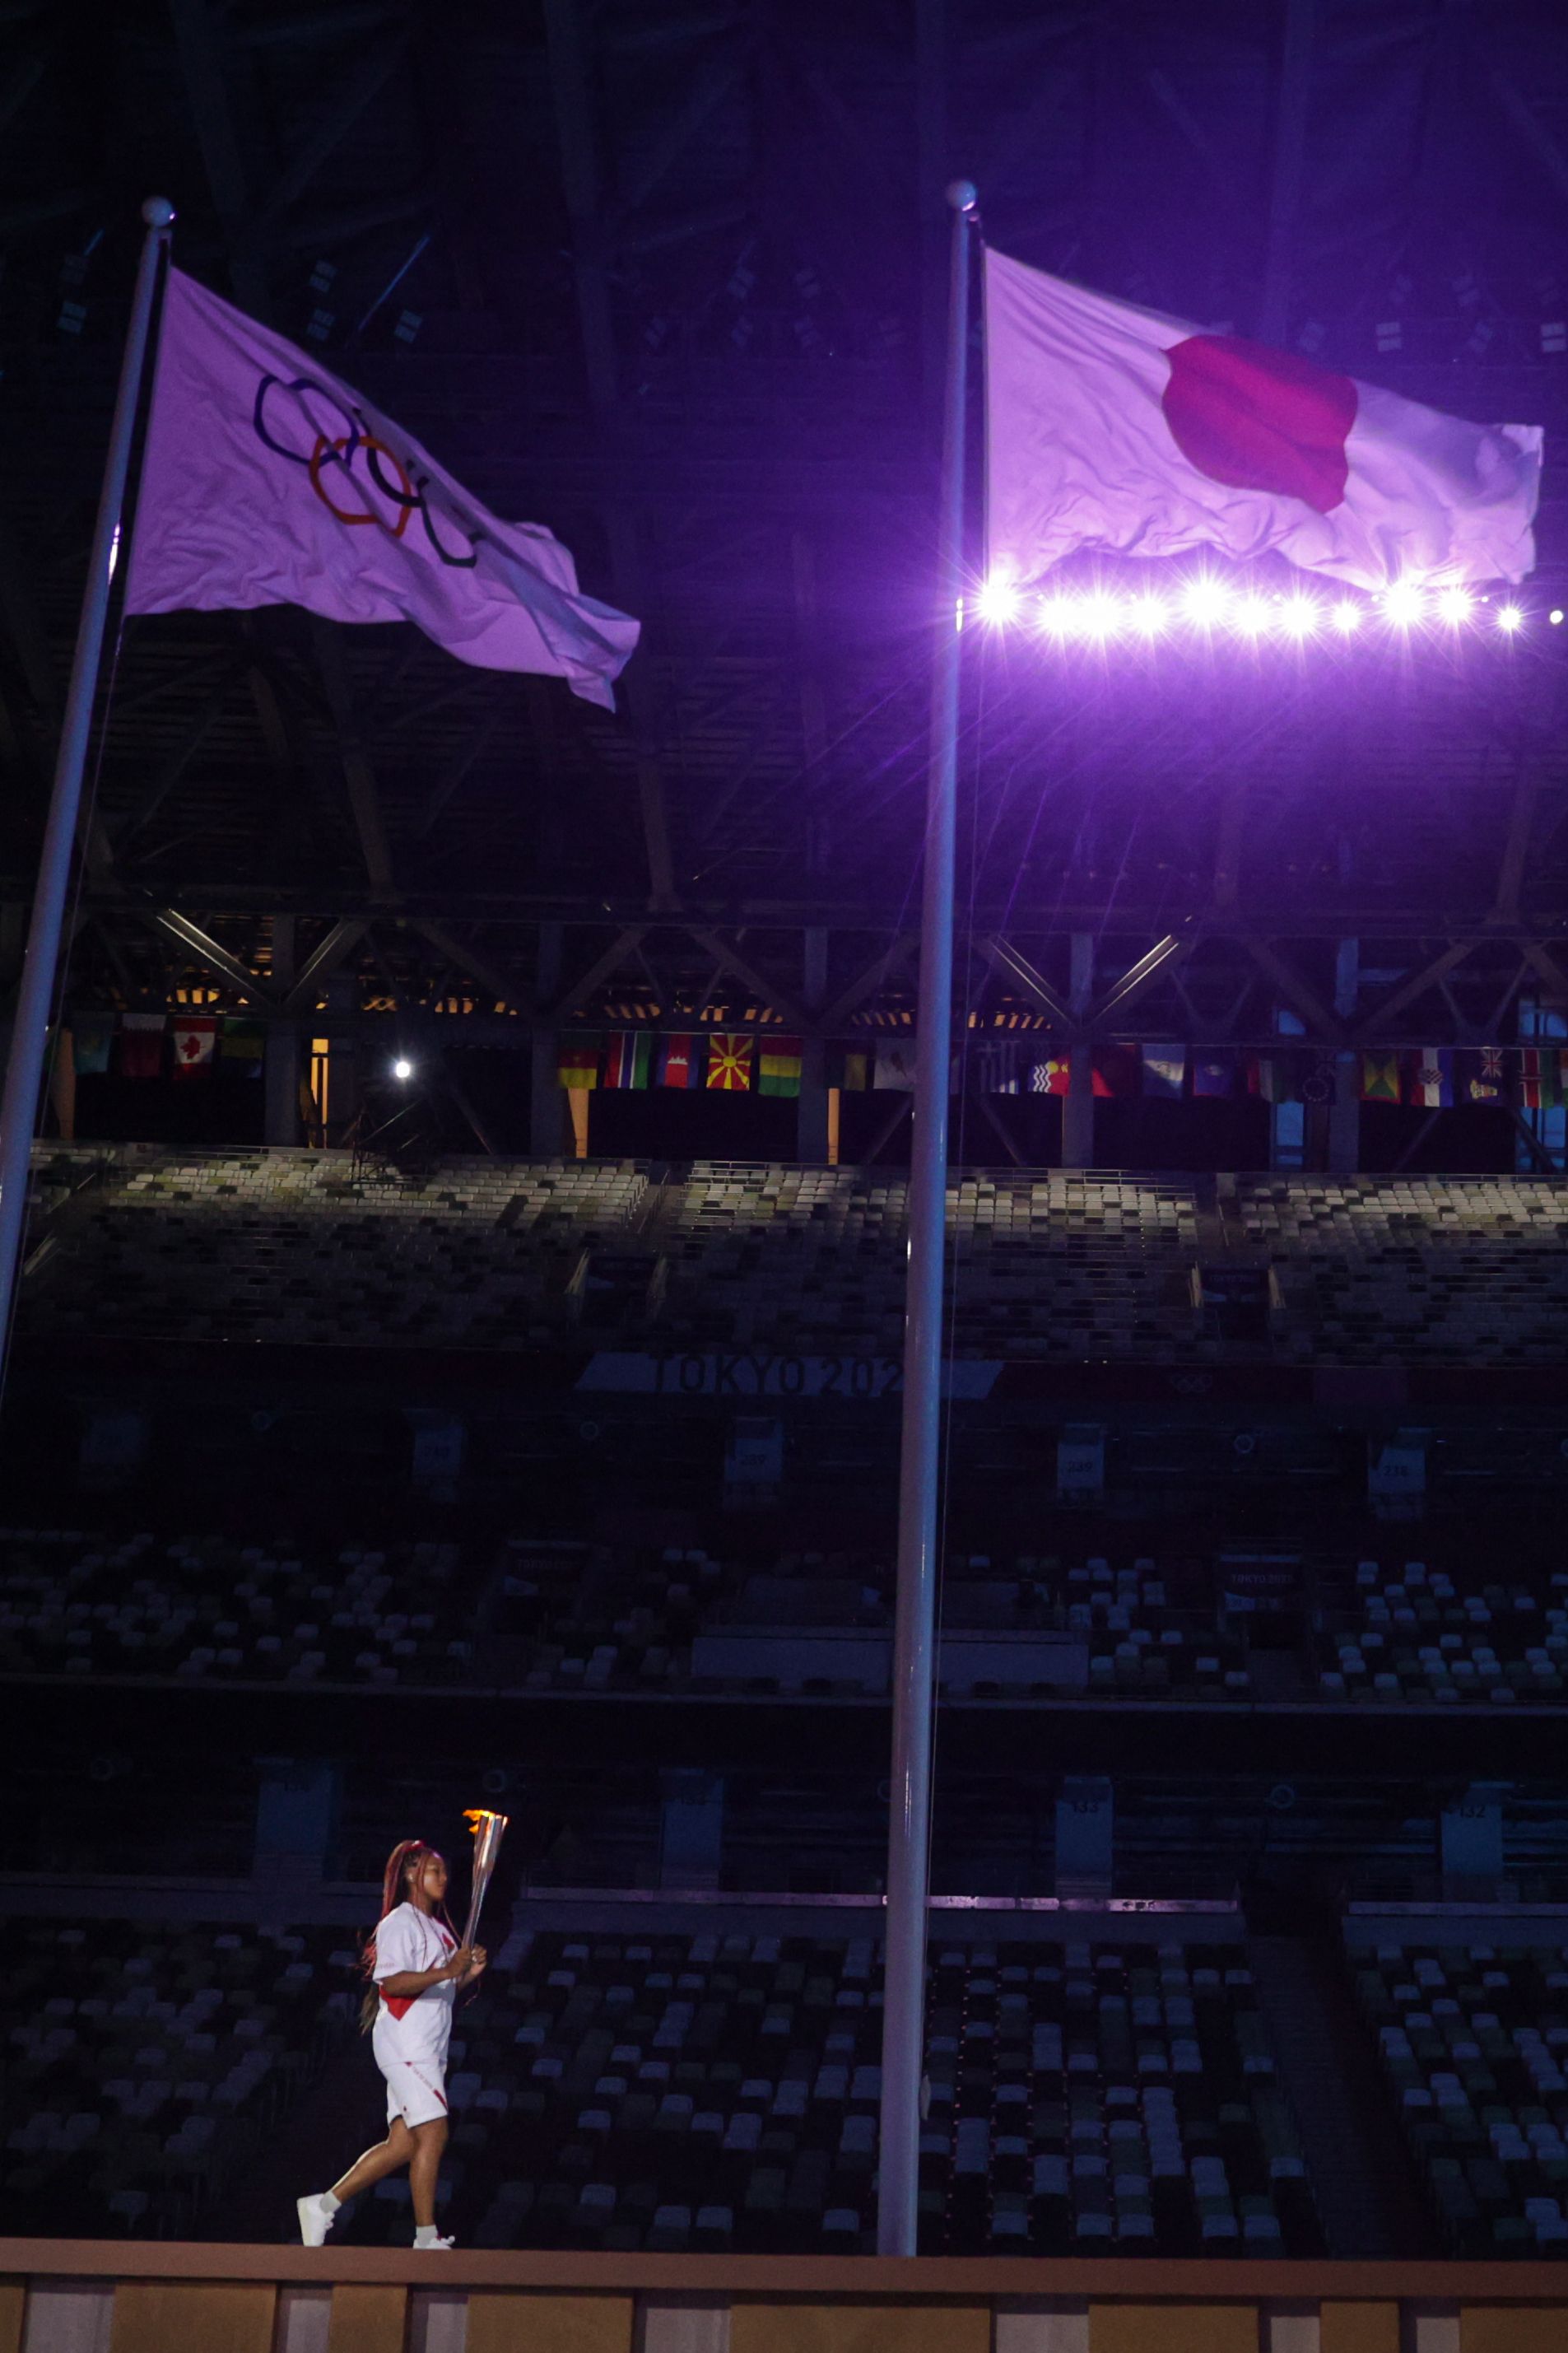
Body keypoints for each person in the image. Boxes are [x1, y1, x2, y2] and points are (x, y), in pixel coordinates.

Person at [297, 1838, 486, 2250]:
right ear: (411, 1874)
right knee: (434, 2133)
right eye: (435, 1870)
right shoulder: (399, 1922)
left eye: (445, 1872)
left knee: (402, 2143)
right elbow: (393, 1982)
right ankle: (424, 2237)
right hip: (406, 2042)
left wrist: (466, 1973)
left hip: (429, 2045)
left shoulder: (439, 1929)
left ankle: (322, 2205)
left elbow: (447, 1987)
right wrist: (447, 1971)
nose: (444, 1878)